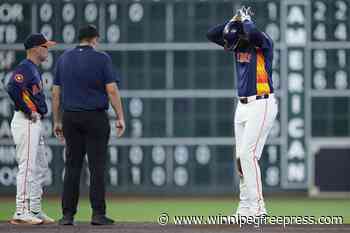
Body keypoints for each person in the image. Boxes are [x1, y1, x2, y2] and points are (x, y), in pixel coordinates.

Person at [207, 7, 278, 217]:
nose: (232, 47)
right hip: (243, 105)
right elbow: (211, 34)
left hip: (262, 102)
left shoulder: (262, 41)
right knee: (241, 158)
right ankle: (245, 207)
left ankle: (258, 208)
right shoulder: (236, 39)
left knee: (248, 155)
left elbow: (254, 33)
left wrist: (245, 20)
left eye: (234, 42)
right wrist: (233, 20)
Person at [52, 25, 125, 226]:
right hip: (95, 118)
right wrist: (120, 116)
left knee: (72, 167)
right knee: (97, 167)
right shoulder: (102, 58)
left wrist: (57, 121)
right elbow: (111, 90)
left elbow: (56, 93)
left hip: (70, 117)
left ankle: (67, 216)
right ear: (95, 39)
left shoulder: (64, 58)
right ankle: (98, 214)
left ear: (79, 38)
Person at [6, 33, 56, 225]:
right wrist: (27, 110)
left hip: (34, 122)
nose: (47, 50)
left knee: (41, 166)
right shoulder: (25, 68)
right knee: (27, 166)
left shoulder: (33, 69)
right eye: (45, 46)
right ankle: (21, 211)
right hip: (25, 120)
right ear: (35, 48)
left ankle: (34, 209)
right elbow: (12, 87)